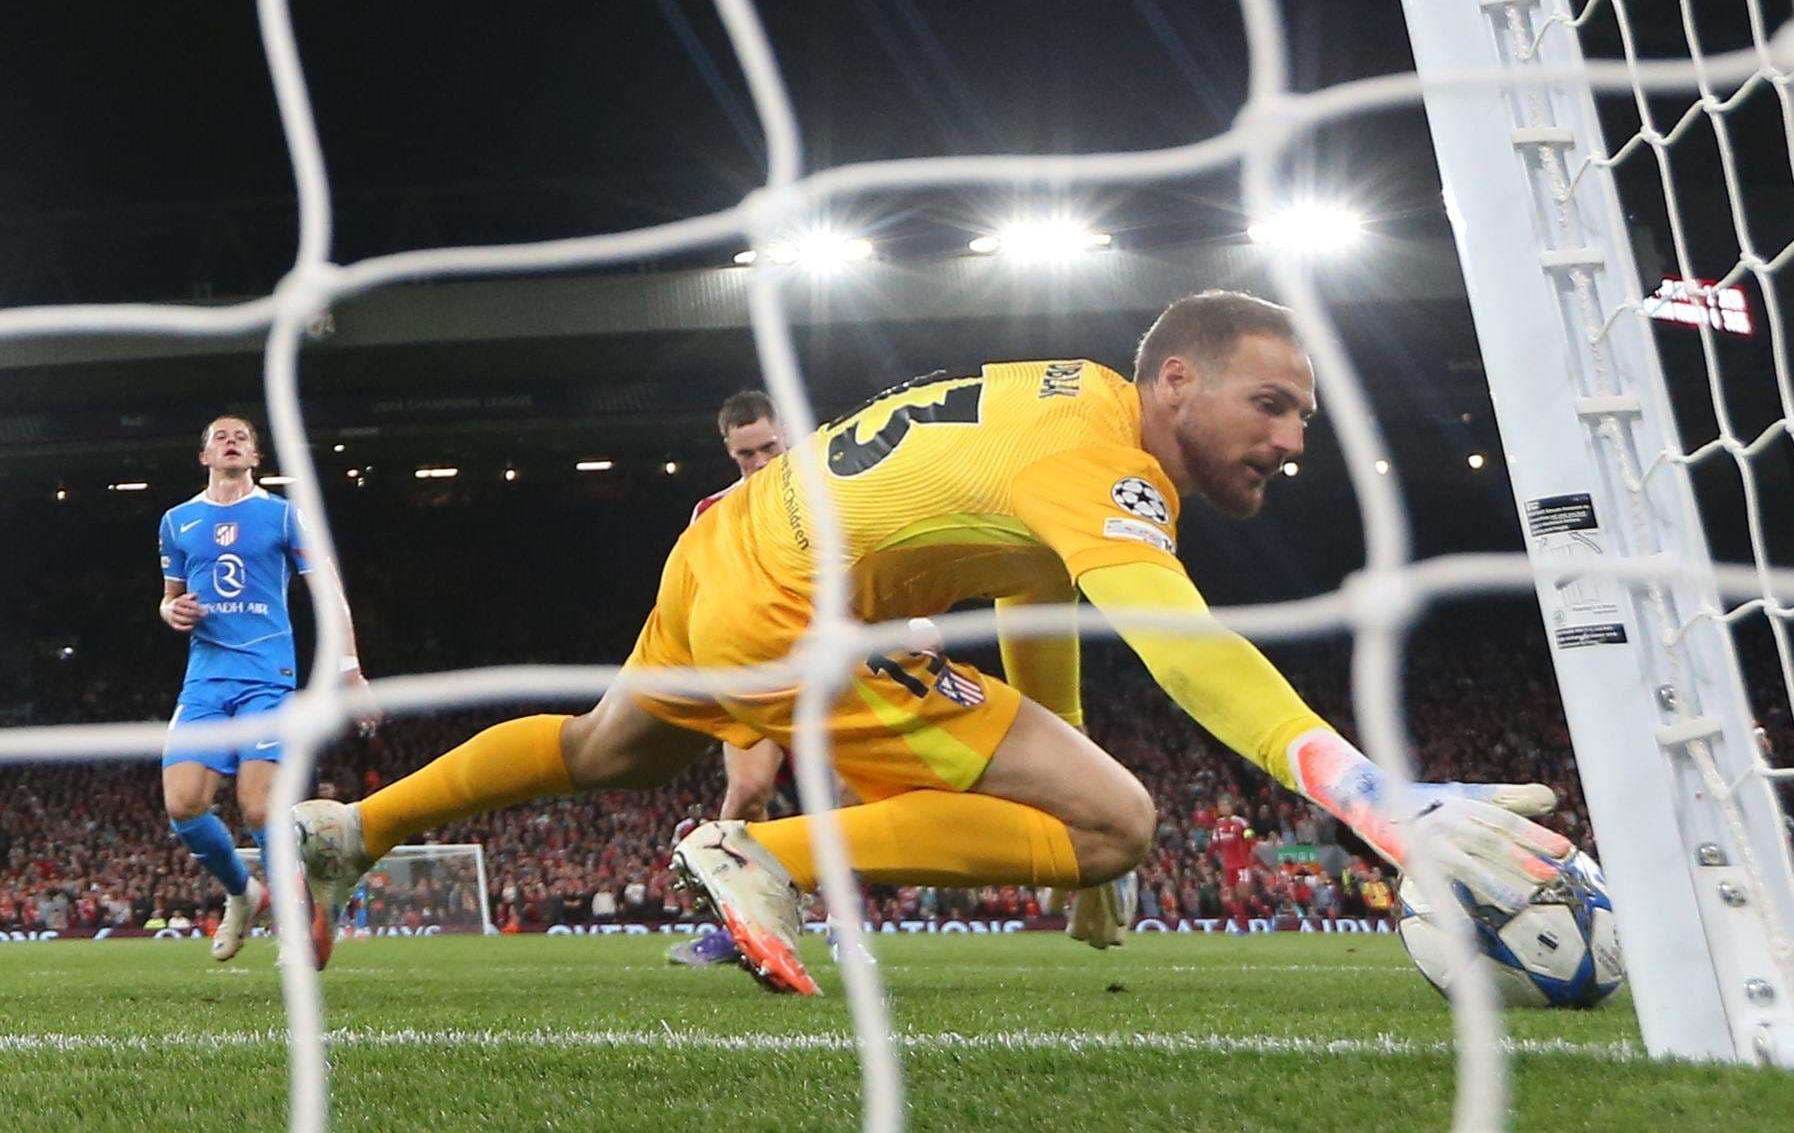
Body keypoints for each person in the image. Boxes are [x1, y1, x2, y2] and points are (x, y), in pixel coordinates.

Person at [294, 290, 1567, 992]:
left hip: (724, 545)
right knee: (1122, 824)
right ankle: (765, 855)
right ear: (1176, 380)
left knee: (607, 750)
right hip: (801, 604)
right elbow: (1182, 645)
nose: (1293, 440)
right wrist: (1368, 795)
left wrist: (1053, 748)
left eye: (1305, 415)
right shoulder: (1106, 461)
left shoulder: (1066, 396)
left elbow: (1038, 602)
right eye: (1271, 403)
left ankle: (356, 831)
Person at [159, 414, 373, 962]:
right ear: (204, 456)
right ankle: (243, 893)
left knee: (259, 809)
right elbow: (169, 596)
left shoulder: (283, 515)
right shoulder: (177, 521)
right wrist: (171, 609)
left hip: (267, 680)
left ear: (256, 457)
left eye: (242, 438)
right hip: (205, 680)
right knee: (183, 805)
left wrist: (349, 668)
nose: (231, 442)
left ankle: (298, 923)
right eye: (219, 437)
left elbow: (329, 592)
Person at [668, 393, 788, 968]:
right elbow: (693, 598)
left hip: (837, 668)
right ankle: (740, 929)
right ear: (728, 451)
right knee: (746, 796)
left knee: (851, 794)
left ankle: (846, 925)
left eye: (770, 447)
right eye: (747, 454)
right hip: (756, 673)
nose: (761, 462)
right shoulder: (712, 512)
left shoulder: (832, 490)